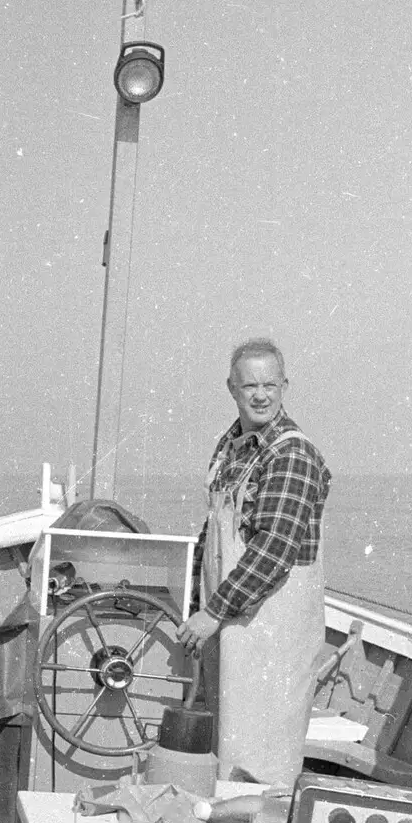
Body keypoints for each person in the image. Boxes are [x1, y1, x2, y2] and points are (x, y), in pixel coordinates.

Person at [176, 338, 331, 790]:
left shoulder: (291, 454)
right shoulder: (232, 449)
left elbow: (274, 548)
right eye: (250, 386)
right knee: (229, 742)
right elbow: (214, 535)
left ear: (285, 385)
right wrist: (192, 599)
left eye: (270, 384)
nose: (260, 395)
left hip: (272, 628)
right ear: (232, 388)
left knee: (263, 754)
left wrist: (213, 612)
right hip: (232, 623)